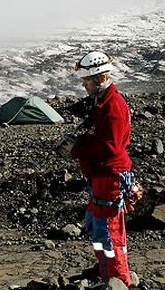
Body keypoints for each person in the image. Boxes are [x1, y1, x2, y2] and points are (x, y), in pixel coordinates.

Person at [61, 51, 134, 287]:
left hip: (109, 177)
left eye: (87, 80)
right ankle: (110, 277)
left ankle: (117, 281)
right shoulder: (105, 103)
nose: (84, 84)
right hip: (104, 177)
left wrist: (77, 150)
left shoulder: (112, 106)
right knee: (100, 229)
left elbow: (110, 148)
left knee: (108, 234)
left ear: (100, 78)